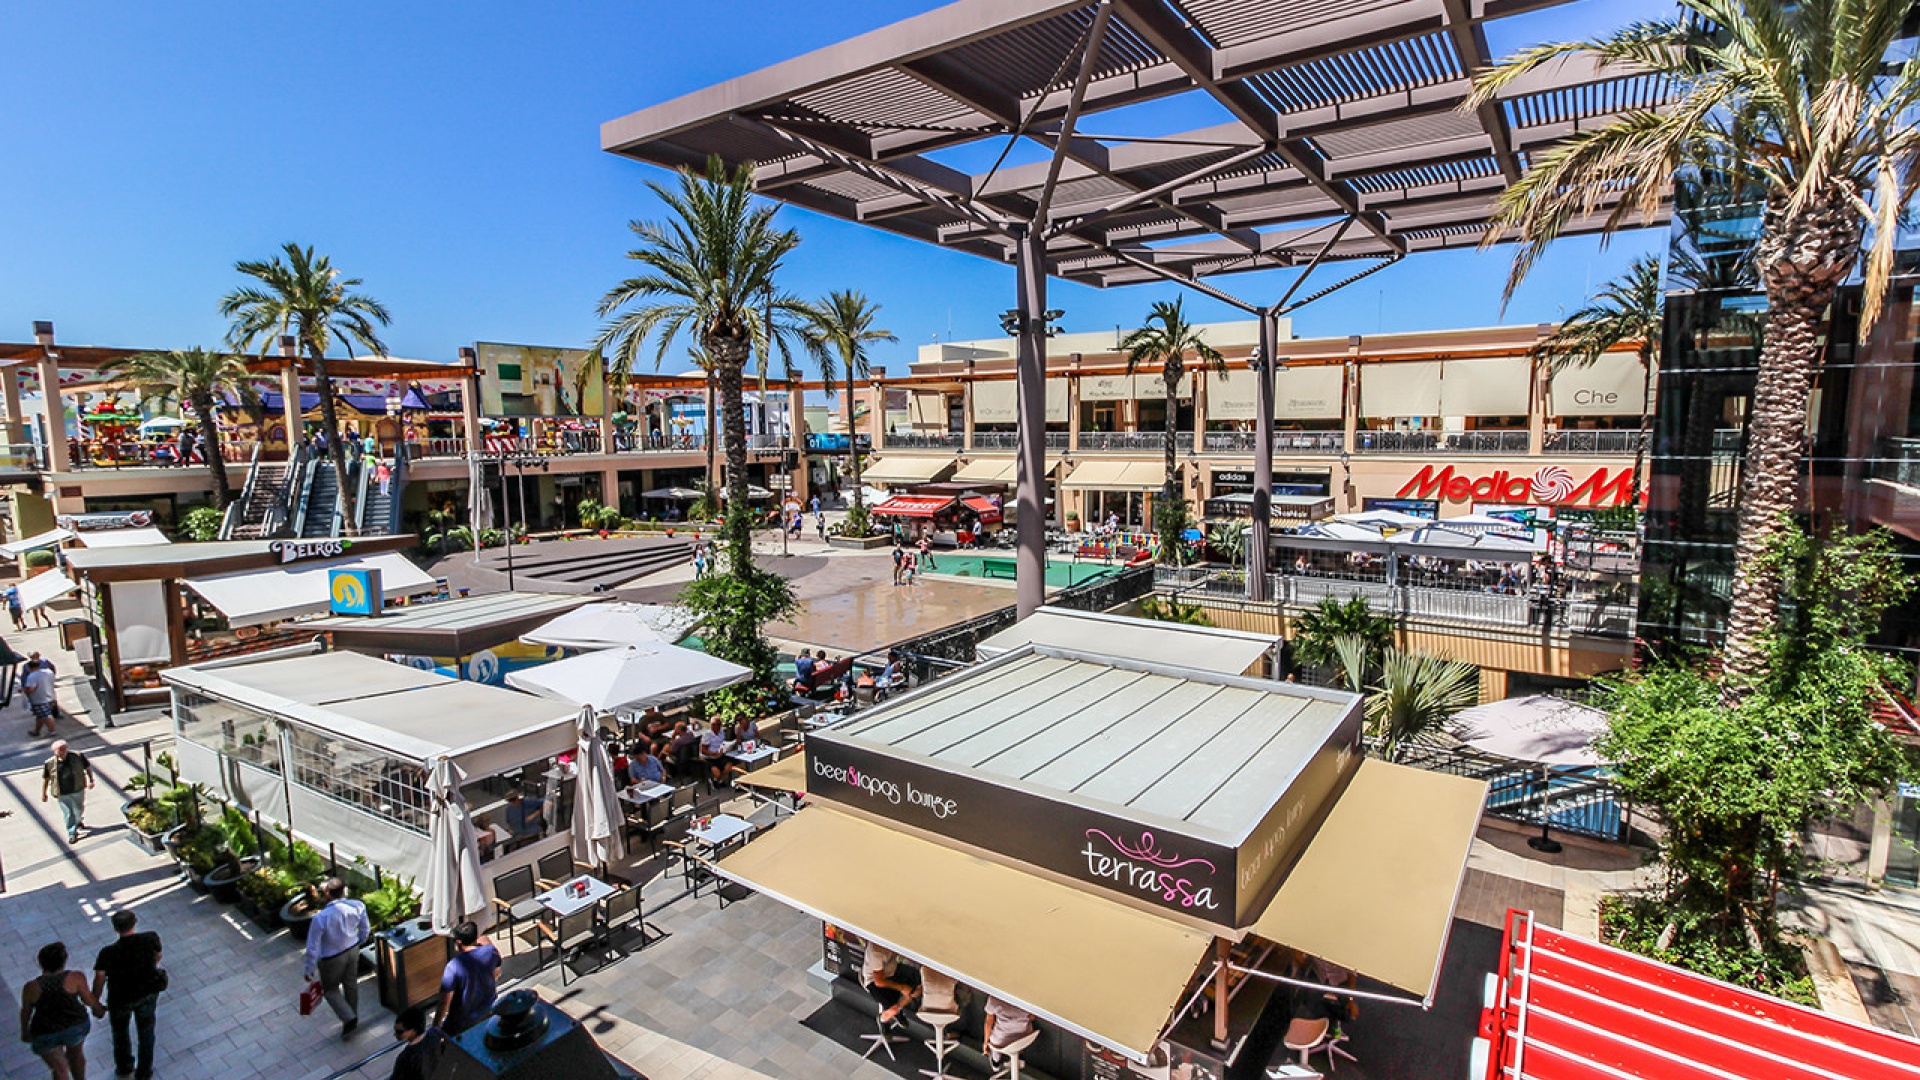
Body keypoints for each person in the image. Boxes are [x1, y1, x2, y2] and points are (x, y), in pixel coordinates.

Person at [92, 910, 162, 1080]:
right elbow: (157, 957)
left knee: (120, 1033)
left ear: (115, 928)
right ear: (135, 922)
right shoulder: (151, 938)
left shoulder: (107, 953)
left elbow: (99, 978)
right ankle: (144, 1071)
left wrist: (95, 1003)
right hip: (146, 993)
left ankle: (124, 1067)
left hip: (119, 998)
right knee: (146, 1032)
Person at [20, 941, 99, 1080]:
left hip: (45, 1031)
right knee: (76, 1056)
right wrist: (98, 1008)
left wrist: (25, 1031)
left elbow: (26, 1012)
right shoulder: (75, 978)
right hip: (75, 1026)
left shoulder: (31, 987)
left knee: (59, 1069)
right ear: (64, 961)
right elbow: (88, 1000)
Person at [304, 878, 372, 1039]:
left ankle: (349, 1017)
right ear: (344, 891)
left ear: (327, 895)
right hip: (352, 949)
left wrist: (309, 969)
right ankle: (352, 1015)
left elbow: (312, 946)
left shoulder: (321, 918)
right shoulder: (357, 906)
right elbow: (365, 929)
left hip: (331, 958)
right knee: (351, 984)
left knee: (330, 990)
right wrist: (358, 942)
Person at [434, 921, 501, 1037]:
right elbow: (496, 973)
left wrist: (435, 1027)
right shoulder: (491, 951)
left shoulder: (454, 966)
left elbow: (444, 1002)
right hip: (488, 1012)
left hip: (461, 1023)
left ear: (459, 943)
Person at [41, 741, 92, 843]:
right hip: (62, 793)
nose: (62, 752)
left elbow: (87, 768)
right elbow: (46, 779)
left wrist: (91, 780)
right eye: (59, 750)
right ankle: (72, 833)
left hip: (77, 789)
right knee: (68, 813)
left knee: (79, 808)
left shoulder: (77, 756)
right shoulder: (50, 763)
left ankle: (78, 821)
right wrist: (44, 793)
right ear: (54, 751)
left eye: (64, 749)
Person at [860, 942, 918, 1026]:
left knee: (916, 987)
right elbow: (879, 982)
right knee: (893, 1009)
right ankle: (883, 1020)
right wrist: (902, 988)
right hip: (874, 982)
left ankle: (898, 1009)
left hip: (892, 971)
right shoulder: (876, 952)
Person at [389, 1005, 447, 1080]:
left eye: (399, 1032)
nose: (395, 1035)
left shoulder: (406, 1057)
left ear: (413, 1031)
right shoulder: (436, 1034)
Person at [983, 995, 1036, 1059]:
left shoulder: (995, 998)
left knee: (995, 1042)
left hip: (1001, 1041)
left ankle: (996, 1060)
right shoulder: (1028, 996)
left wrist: (985, 1043)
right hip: (1024, 1037)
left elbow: (988, 1023)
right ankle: (1017, 1052)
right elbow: (1032, 1017)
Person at [25, 660, 59, 738]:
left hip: (39, 699)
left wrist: (25, 691)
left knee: (46, 715)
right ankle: (36, 731)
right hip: (51, 697)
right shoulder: (49, 672)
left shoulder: (32, 676)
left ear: (30, 668)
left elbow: (31, 689)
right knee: (40, 715)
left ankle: (52, 731)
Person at [699, 718, 730, 787]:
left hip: (720, 755)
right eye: (717, 725)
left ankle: (719, 779)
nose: (719, 726)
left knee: (728, 766)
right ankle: (716, 779)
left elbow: (723, 743)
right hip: (709, 758)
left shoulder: (721, 732)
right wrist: (713, 754)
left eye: (720, 725)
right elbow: (703, 750)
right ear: (712, 726)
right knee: (717, 772)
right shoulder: (707, 735)